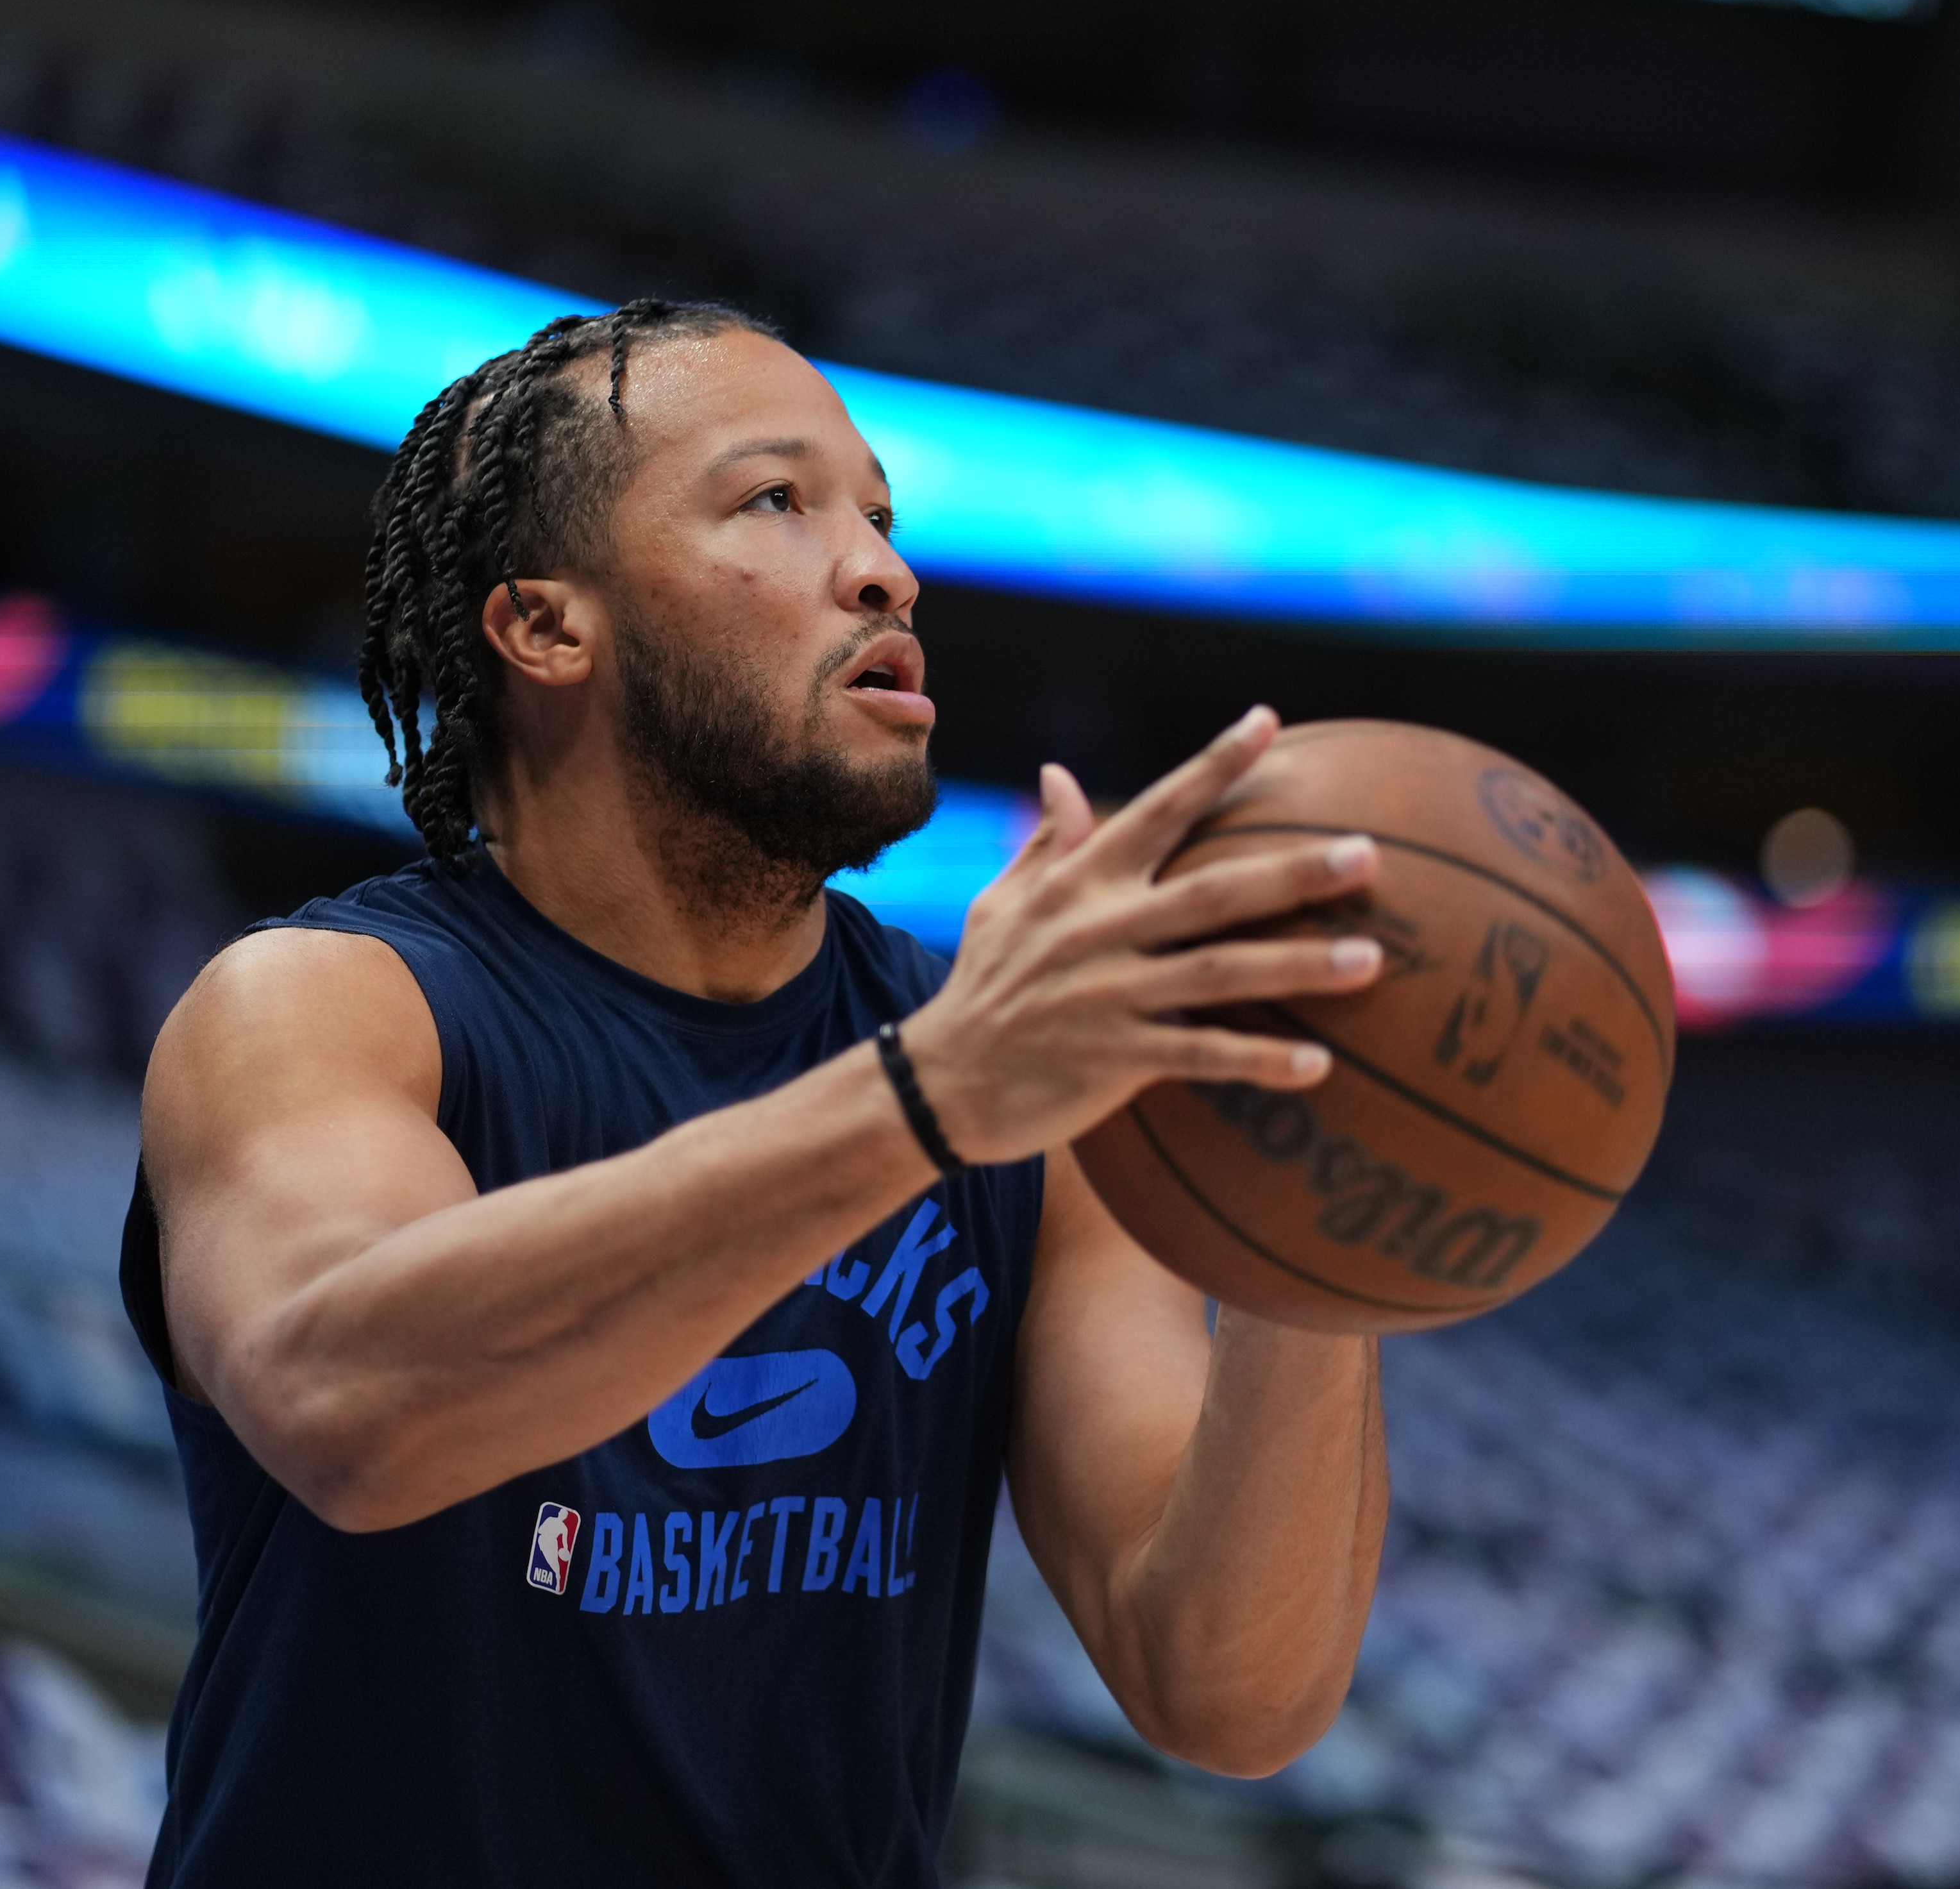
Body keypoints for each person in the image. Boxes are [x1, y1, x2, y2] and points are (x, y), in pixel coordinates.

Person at [121, 301, 1395, 1884]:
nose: (883, 572)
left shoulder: (1017, 1090)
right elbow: (348, 1407)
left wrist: (1311, 1218)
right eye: (776, 500)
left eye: (881, 517)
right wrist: (927, 1098)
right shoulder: (333, 1008)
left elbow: (1225, 1687)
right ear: (545, 626)